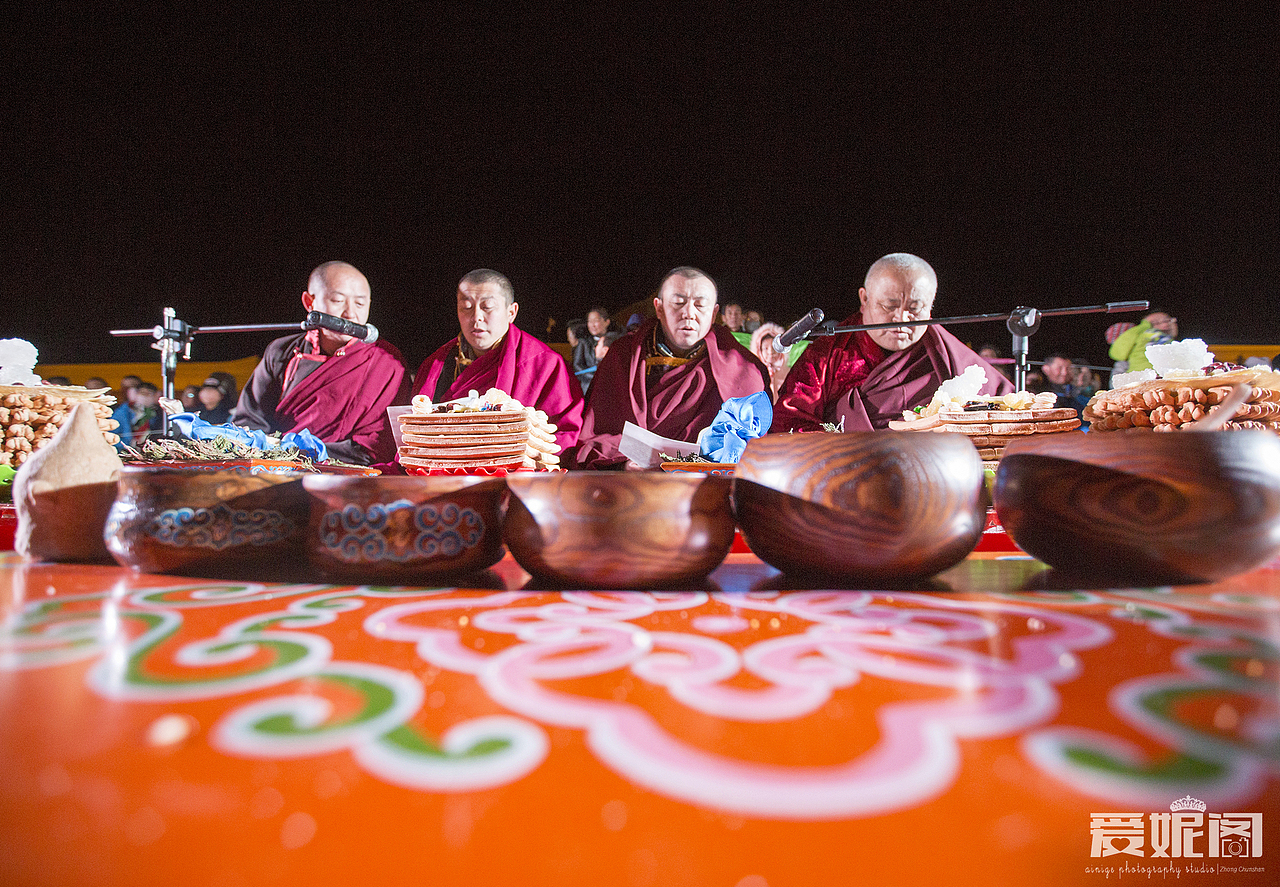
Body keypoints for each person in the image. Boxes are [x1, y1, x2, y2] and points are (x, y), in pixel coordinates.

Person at [771, 253, 1013, 433]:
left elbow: (1007, 407)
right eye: (890, 306)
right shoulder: (828, 354)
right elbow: (789, 419)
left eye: (915, 309)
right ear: (864, 299)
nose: (901, 319)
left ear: (930, 307)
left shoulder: (947, 354)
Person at [570, 267, 769, 469]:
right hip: (630, 478)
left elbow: (754, 446)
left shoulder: (742, 368)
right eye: (678, 303)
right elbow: (597, 433)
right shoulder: (623, 355)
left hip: (706, 481)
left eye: (700, 305)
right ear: (659, 308)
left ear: (714, 313)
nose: (689, 313)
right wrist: (623, 463)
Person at [233, 261, 411, 465]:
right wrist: (272, 453)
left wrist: (305, 454)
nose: (350, 314)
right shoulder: (282, 351)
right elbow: (250, 420)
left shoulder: (386, 361)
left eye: (360, 304)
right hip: (275, 468)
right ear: (309, 302)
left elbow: (376, 445)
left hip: (348, 473)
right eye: (337, 300)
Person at [411, 269, 584, 452]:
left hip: (516, 469)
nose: (476, 317)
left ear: (511, 312)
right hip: (443, 467)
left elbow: (563, 435)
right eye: (466, 307)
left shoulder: (544, 364)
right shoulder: (435, 365)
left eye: (487, 307)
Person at [1109, 310, 1177, 374]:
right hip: (1143, 375)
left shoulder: (1171, 341)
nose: (1165, 325)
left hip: (1159, 375)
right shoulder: (1141, 334)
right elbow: (1117, 354)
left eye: (1169, 321)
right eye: (1157, 322)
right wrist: (1145, 324)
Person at [572, 307, 611, 392]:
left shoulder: (613, 341)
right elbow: (577, 366)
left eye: (595, 321)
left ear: (607, 322)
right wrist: (595, 377)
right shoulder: (584, 342)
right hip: (588, 386)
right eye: (590, 321)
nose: (592, 325)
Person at [750, 321, 791, 400]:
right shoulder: (753, 373)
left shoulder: (788, 373)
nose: (770, 352)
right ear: (759, 350)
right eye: (766, 348)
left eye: (774, 348)